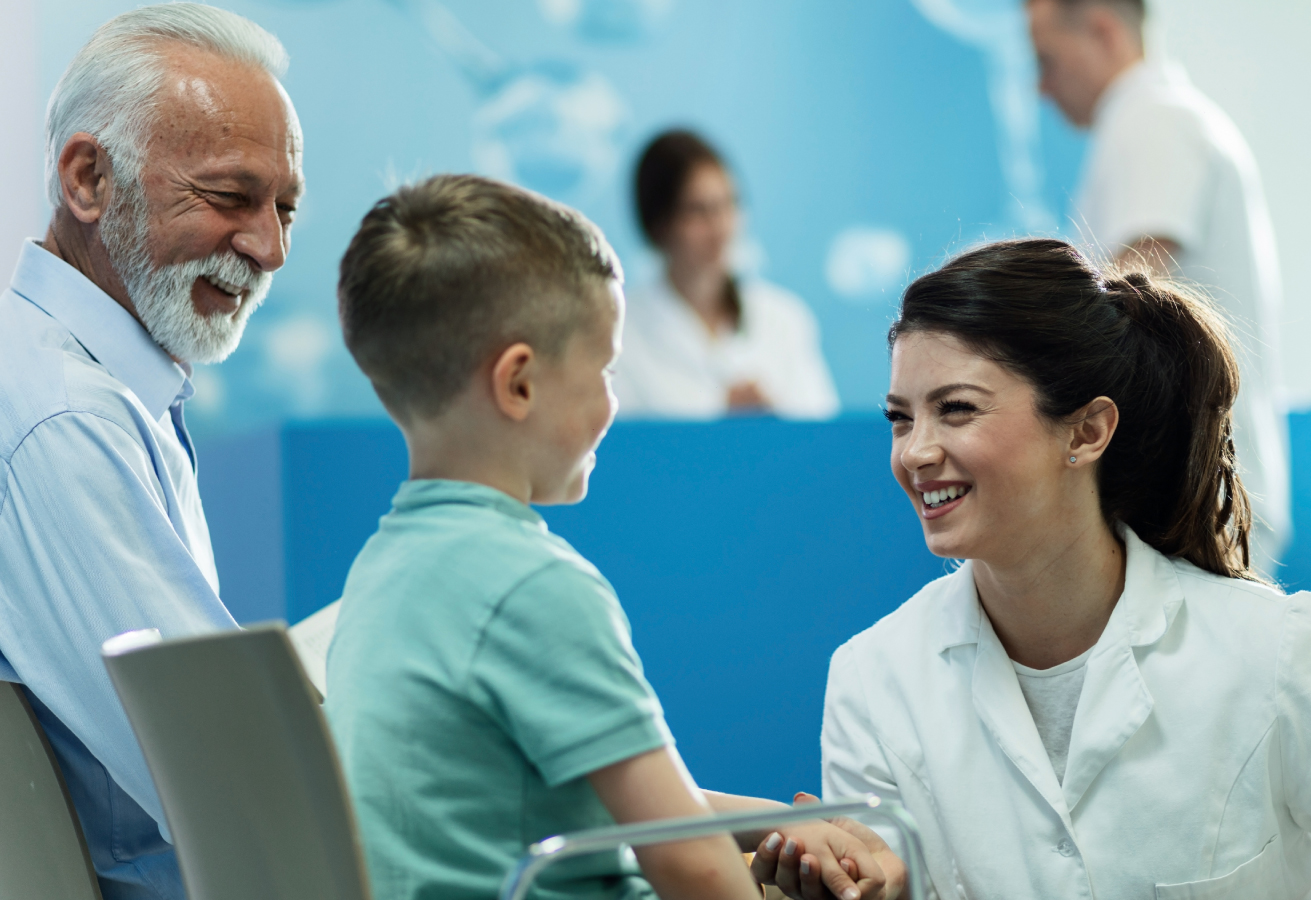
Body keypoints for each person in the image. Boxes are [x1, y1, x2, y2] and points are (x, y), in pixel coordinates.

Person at [820, 239, 1311, 899]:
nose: (915, 452)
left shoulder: (1279, 651)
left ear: (1086, 431)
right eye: (900, 419)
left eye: (956, 409)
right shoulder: (874, 682)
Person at [325, 174, 900, 900]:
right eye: (604, 369)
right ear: (520, 384)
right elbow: (688, 868)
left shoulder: (387, 567)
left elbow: (603, 800)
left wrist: (773, 825)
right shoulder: (534, 585)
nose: (612, 402)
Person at [0, 7, 302, 898]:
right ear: (88, 179)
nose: (269, 247)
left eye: (285, 207)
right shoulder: (65, 417)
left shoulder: (89, 382)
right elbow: (238, 782)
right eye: (228, 197)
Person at [1027, 0, 1291, 568]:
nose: (1041, 88)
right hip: (1189, 481)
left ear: (1101, 27)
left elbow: (1128, 295)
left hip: (1185, 487)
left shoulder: (1151, 119)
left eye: (1045, 59)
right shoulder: (1159, 118)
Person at [614, 130, 839, 420]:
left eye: (728, 205)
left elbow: (822, 435)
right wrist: (721, 425)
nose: (720, 228)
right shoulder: (620, 335)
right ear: (659, 224)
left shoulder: (784, 318)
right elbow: (625, 450)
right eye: (698, 211)